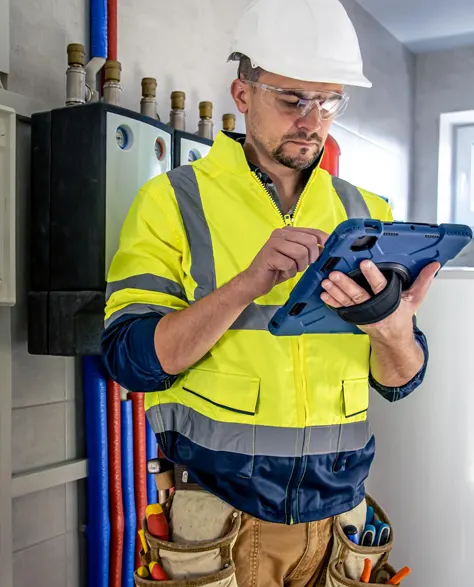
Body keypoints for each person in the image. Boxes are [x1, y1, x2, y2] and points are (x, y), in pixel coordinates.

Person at [102, 0, 437, 584]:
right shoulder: (173, 201)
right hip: (217, 520)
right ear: (242, 94)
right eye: (291, 99)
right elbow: (131, 360)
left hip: (342, 523)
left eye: (328, 101)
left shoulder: (367, 213)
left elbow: (400, 380)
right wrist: (246, 285)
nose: (312, 119)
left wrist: (391, 326)